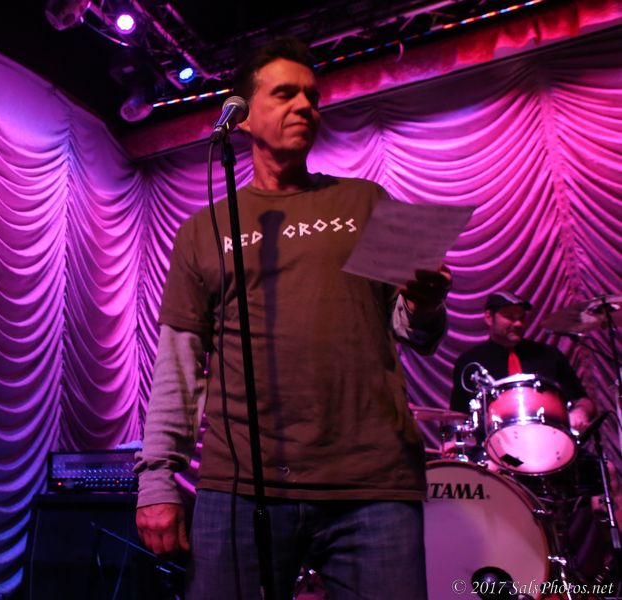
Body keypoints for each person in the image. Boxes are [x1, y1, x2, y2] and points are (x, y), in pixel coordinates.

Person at [134, 37, 452, 600]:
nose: (306, 106)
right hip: (240, 485)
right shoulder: (201, 230)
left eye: (312, 96)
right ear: (242, 115)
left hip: (372, 483)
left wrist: (425, 305)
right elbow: (178, 366)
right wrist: (157, 479)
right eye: (285, 94)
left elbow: (412, 331)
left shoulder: (368, 200)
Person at [449, 291, 596, 430]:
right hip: (494, 443)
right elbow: (458, 415)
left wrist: (581, 412)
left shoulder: (549, 355)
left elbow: (583, 400)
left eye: (521, 318)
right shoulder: (469, 362)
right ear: (489, 318)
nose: (519, 324)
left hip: (549, 439)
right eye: (510, 317)